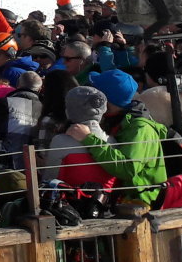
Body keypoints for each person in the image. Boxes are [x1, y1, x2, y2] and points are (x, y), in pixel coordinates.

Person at [69, 70, 167, 206]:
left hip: (137, 201)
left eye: (94, 92)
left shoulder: (140, 128)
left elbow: (127, 169)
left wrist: (88, 138)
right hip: (117, 195)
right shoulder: (114, 119)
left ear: (104, 100)